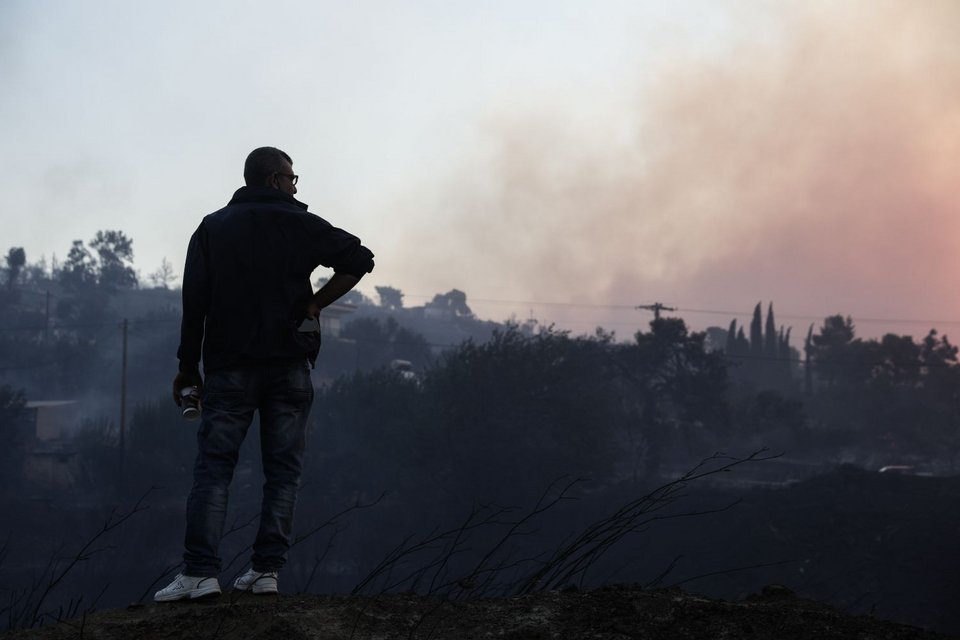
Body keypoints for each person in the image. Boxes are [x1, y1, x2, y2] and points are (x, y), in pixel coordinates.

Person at [155, 147, 375, 601]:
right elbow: (360, 259)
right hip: (290, 367)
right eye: (293, 179)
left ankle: (199, 575)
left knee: (214, 471)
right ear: (275, 179)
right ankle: (265, 572)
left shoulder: (213, 227)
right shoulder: (301, 224)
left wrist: (185, 366)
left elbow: (194, 303)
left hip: (230, 367)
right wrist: (316, 304)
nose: (296, 187)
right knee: (283, 472)